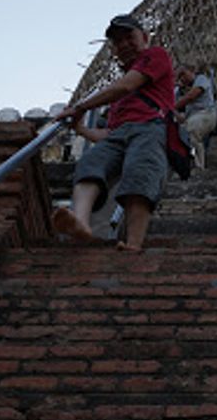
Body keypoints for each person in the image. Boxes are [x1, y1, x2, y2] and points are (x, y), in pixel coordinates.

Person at [51, 14, 174, 252]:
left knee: (139, 174)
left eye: (129, 37)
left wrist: (80, 108)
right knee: (90, 163)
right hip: (120, 133)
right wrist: (80, 129)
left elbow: (126, 85)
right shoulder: (118, 100)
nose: (124, 44)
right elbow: (109, 136)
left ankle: (134, 243)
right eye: (118, 42)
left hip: (150, 127)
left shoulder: (156, 55)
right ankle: (81, 222)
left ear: (145, 37)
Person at [174, 65, 217, 169]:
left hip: (206, 113)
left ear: (191, 71)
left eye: (183, 74)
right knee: (185, 134)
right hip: (193, 116)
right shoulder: (180, 90)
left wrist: (171, 106)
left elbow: (191, 96)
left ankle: (199, 165)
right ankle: (195, 162)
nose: (182, 78)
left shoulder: (201, 79)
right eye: (179, 77)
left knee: (191, 131)